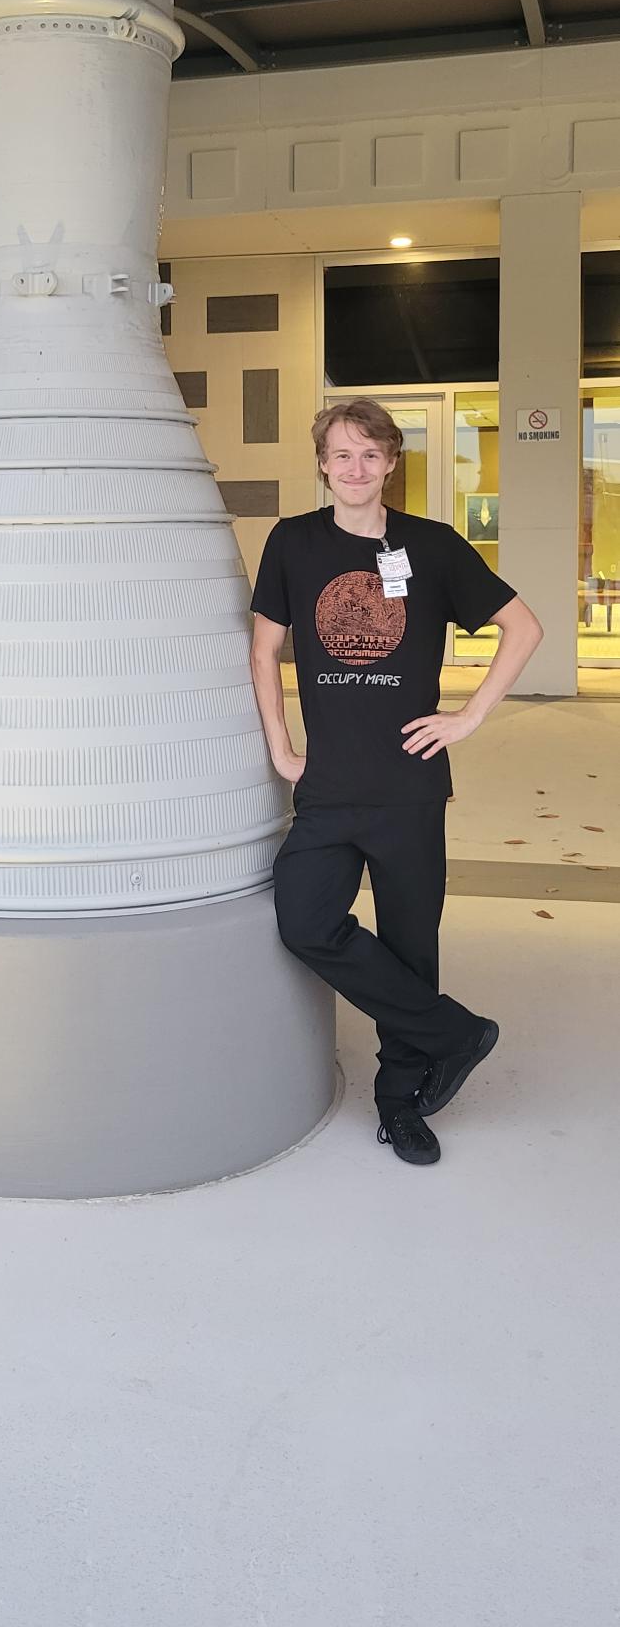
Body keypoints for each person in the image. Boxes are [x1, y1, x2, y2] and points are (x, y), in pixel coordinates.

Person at [250, 397, 543, 1166]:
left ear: (391, 464)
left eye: (370, 456)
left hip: (411, 788)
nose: (355, 469)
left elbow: (525, 628)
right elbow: (263, 651)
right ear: (321, 462)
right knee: (306, 920)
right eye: (342, 455)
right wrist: (282, 746)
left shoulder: (434, 548)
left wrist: (469, 717)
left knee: (412, 945)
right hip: (329, 786)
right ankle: (455, 1034)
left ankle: (400, 1101)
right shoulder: (293, 543)